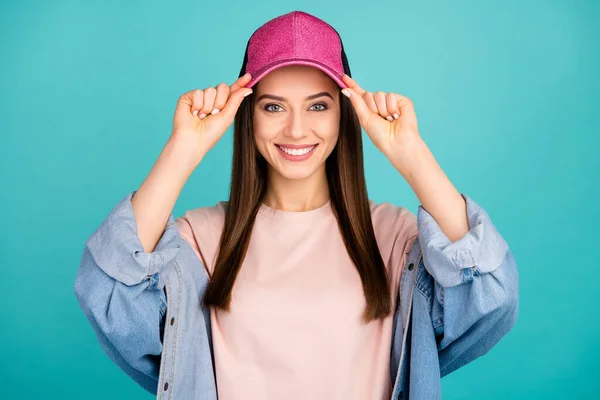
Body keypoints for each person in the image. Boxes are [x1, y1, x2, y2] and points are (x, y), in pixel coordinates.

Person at [74, 10, 519, 400]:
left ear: (343, 115)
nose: (296, 129)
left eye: (318, 105)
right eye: (273, 107)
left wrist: (411, 154)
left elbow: (490, 298)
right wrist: (183, 149)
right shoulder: (201, 240)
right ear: (247, 116)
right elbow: (109, 300)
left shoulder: (395, 238)